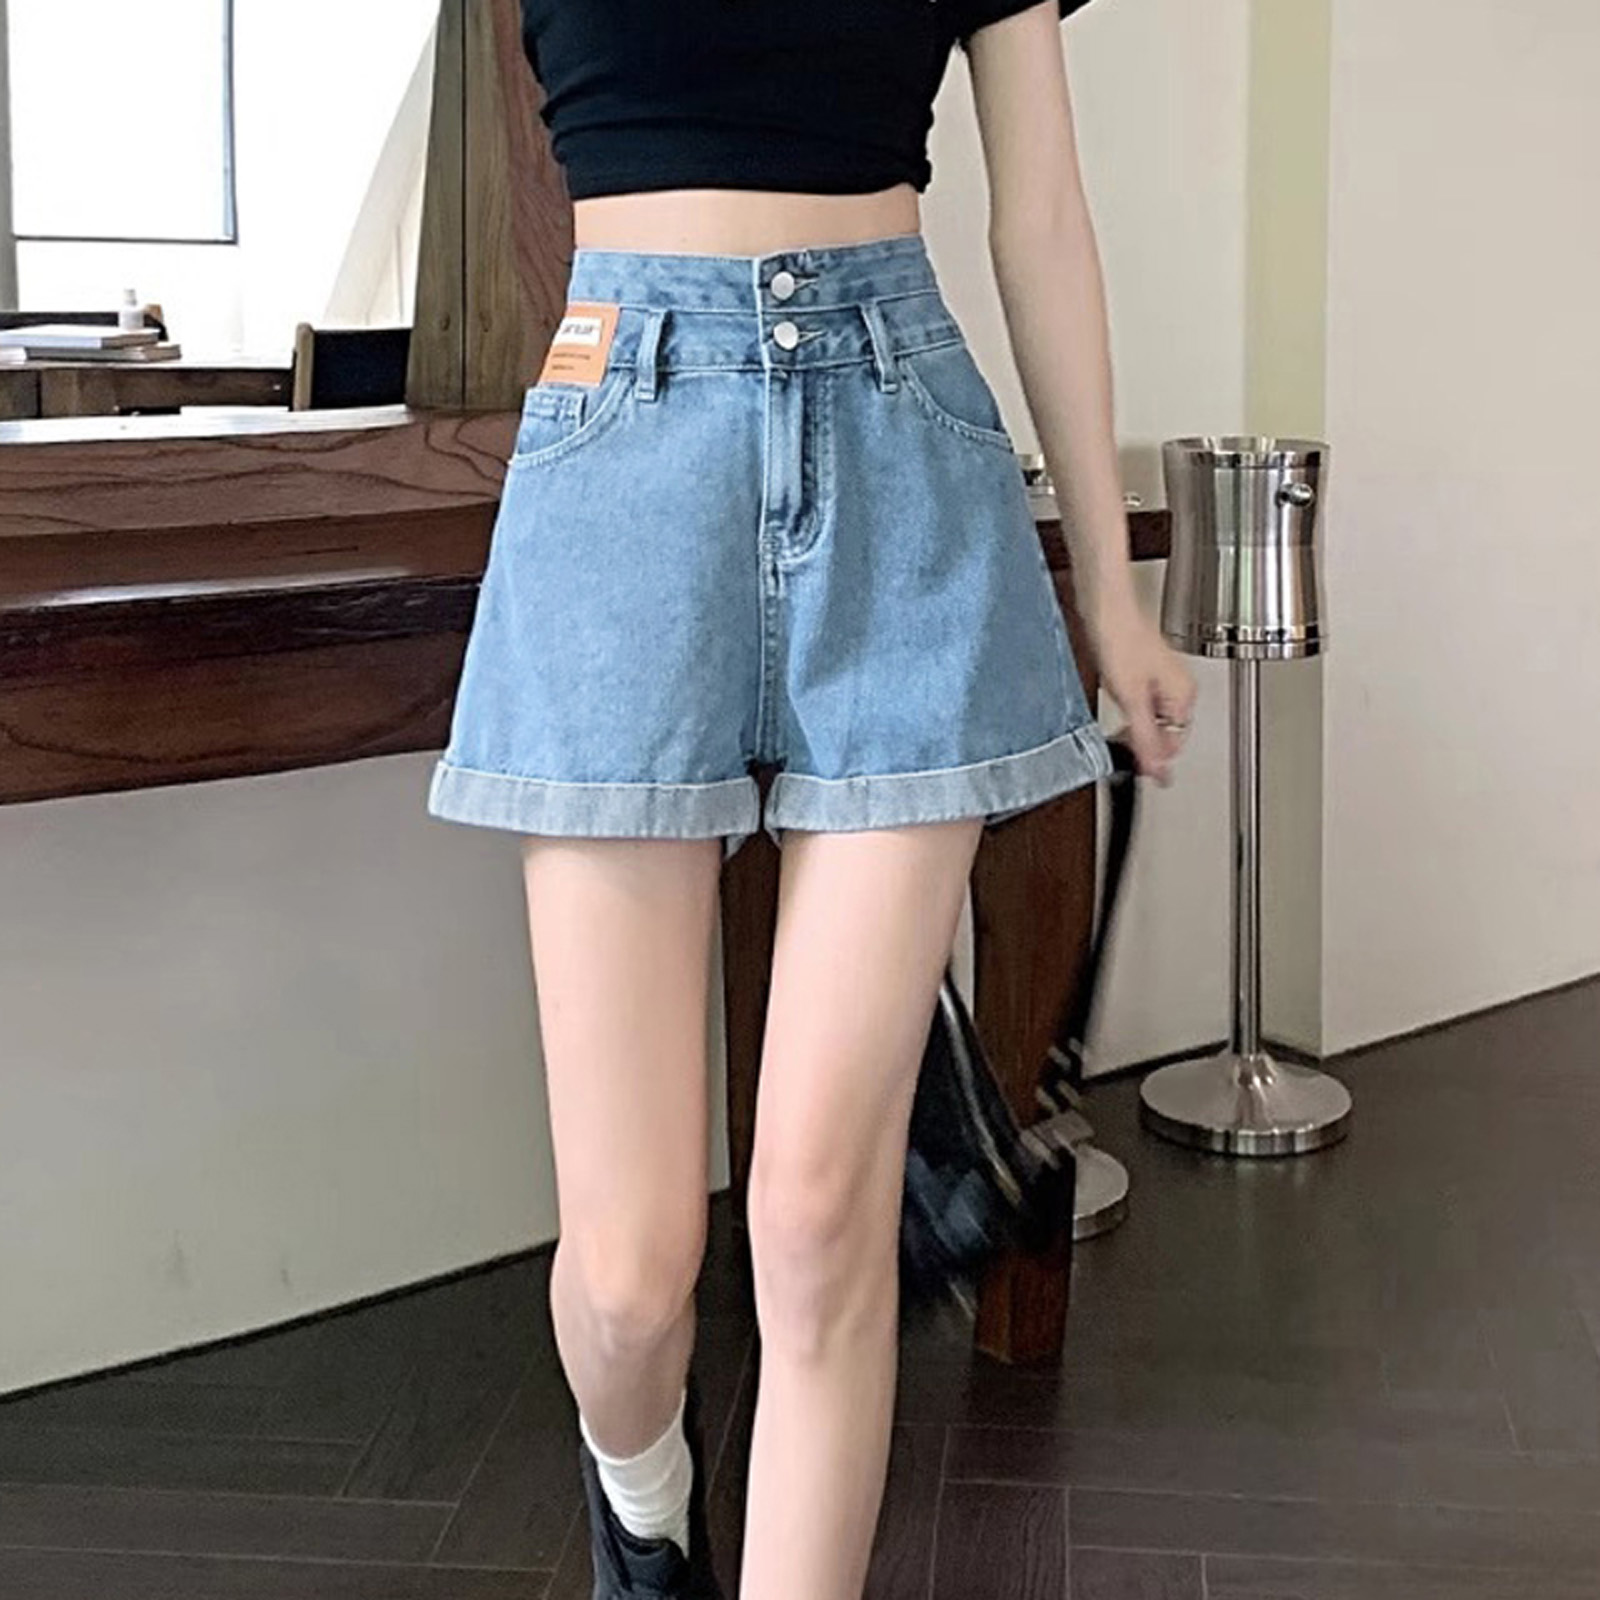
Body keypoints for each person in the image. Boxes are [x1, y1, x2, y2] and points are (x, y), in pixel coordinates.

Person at [428, 2, 1198, 1596]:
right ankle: (644, 1496)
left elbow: (1043, 217)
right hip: (623, 439)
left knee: (815, 1215)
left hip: (899, 440)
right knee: (630, 1278)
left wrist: (1110, 590)